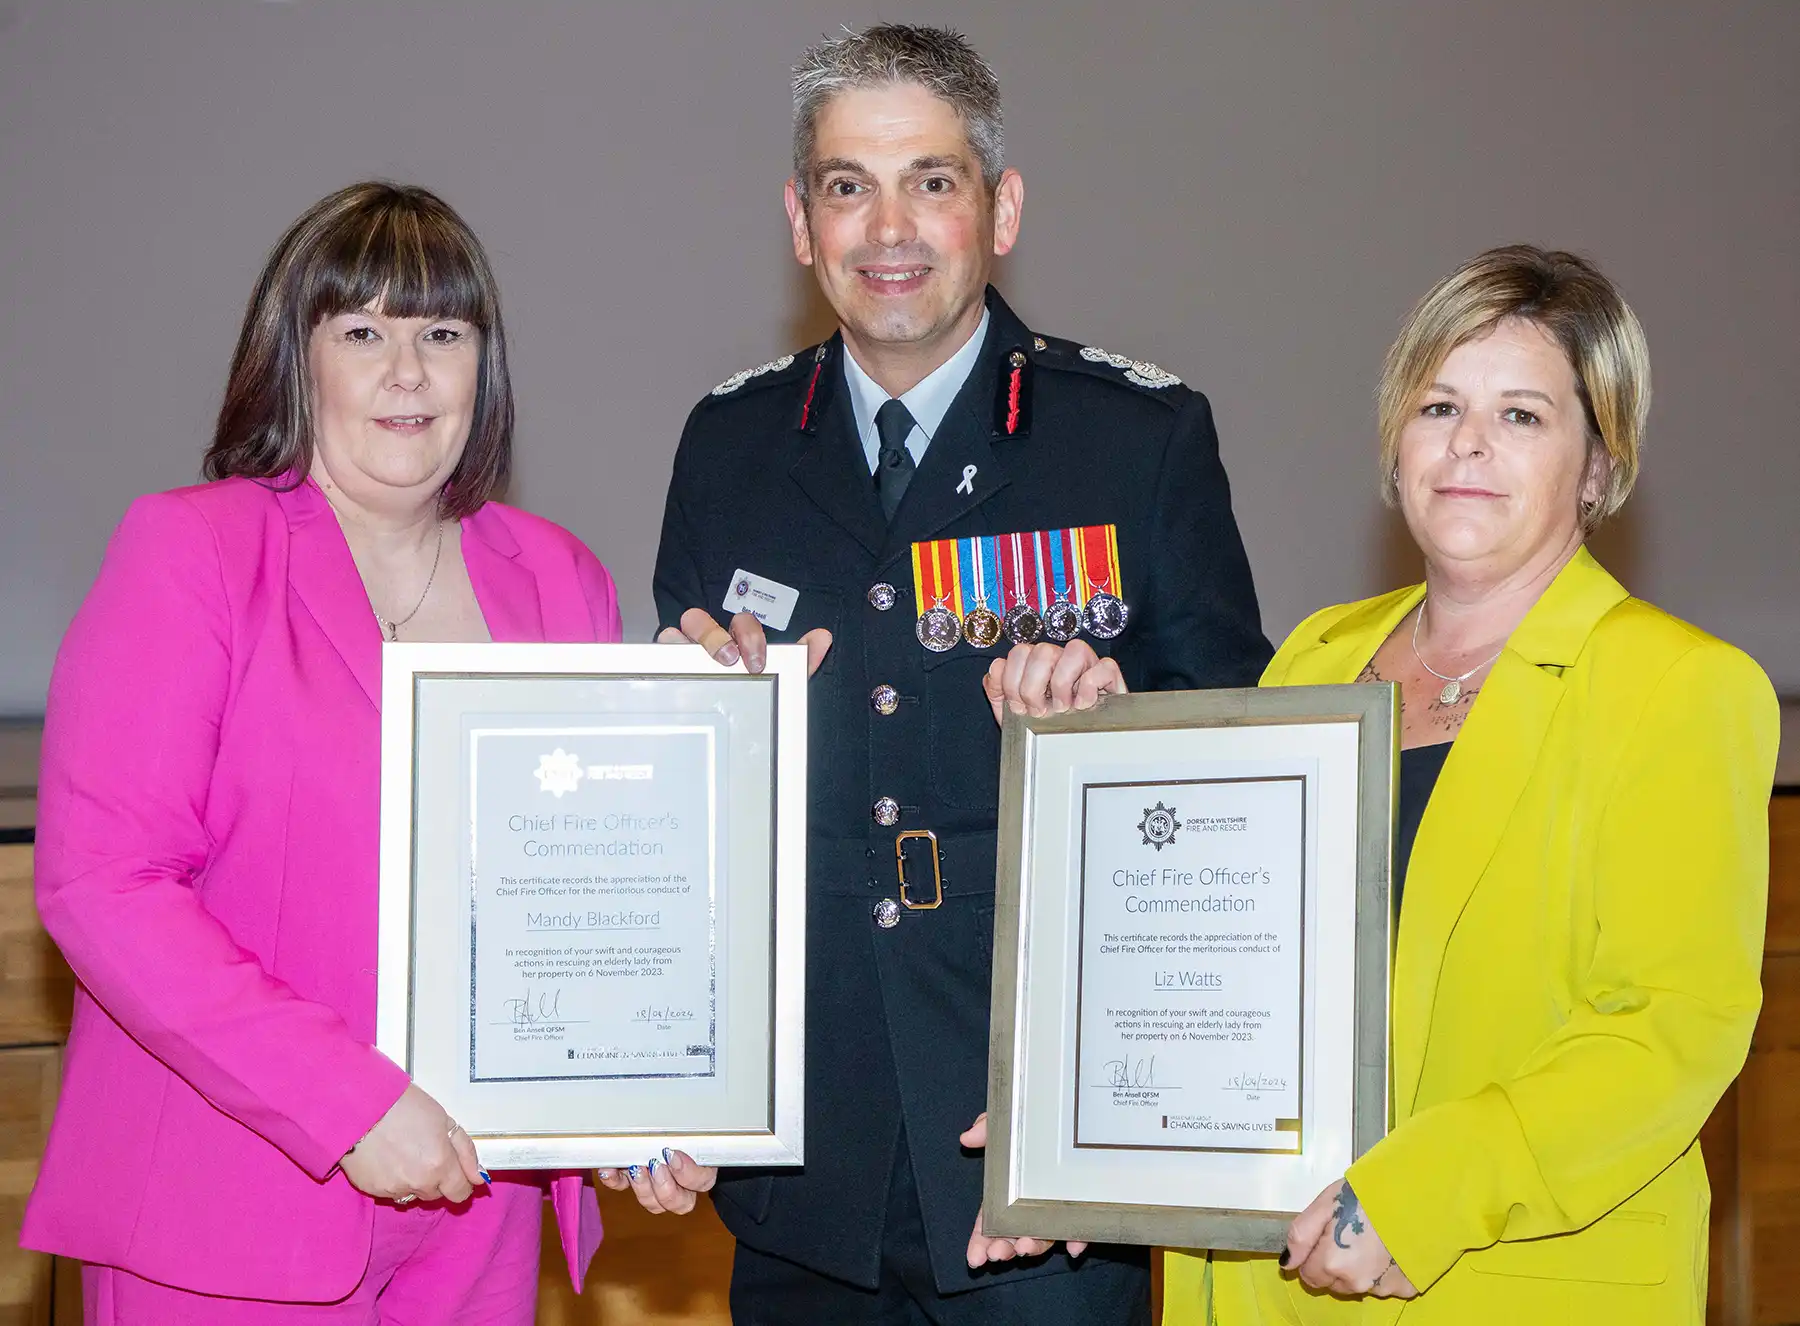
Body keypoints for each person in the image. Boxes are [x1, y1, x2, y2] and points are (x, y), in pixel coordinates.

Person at [635, 22, 1270, 1323]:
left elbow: (1237, 810)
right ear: (801, 222)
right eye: (847, 185)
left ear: (1002, 207)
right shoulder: (730, 448)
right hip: (804, 1165)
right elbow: (687, 835)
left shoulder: (1133, 443)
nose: (891, 228)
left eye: (932, 180)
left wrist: (1119, 724)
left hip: (1044, 1174)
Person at [1153, 246, 1778, 1323]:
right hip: (1264, 1284)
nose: (1469, 445)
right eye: (1439, 405)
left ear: (1597, 463)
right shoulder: (1315, 655)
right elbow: (1217, 953)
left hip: (1506, 1278)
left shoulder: (1682, 686)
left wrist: (1421, 1196)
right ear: (1398, 444)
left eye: (1523, 415)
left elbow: (1668, 1029)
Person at [24, 182, 614, 1323]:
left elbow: (600, 888)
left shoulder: (557, 577)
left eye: (443, 333)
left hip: (481, 1201)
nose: (409, 371)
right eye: (362, 333)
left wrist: (648, 1118)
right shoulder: (192, 551)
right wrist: (346, 1104)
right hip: (230, 1195)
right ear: (294, 362)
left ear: (483, 368)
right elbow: (105, 885)